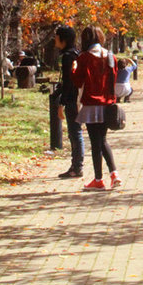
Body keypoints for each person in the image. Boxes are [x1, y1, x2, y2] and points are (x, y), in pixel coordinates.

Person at [71, 26, 120, 191]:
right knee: (103, 140)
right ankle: (114, 174)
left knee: (95, 142)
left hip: (92, 105)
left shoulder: (84, 58)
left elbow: (77, 81)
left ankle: (98, 179)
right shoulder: (111, 56)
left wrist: (73, 70)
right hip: (107, 104)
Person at [52, 26, 84, 179]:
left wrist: (61, 102)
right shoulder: (76, 54)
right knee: (75, 132)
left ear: (63, 39)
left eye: (56, 37)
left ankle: (77, 167)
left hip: (72, 99)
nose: (55, 40)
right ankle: (76, 165)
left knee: (75, 132)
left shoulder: (67, 57)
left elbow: (67, 81)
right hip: (77, 97)